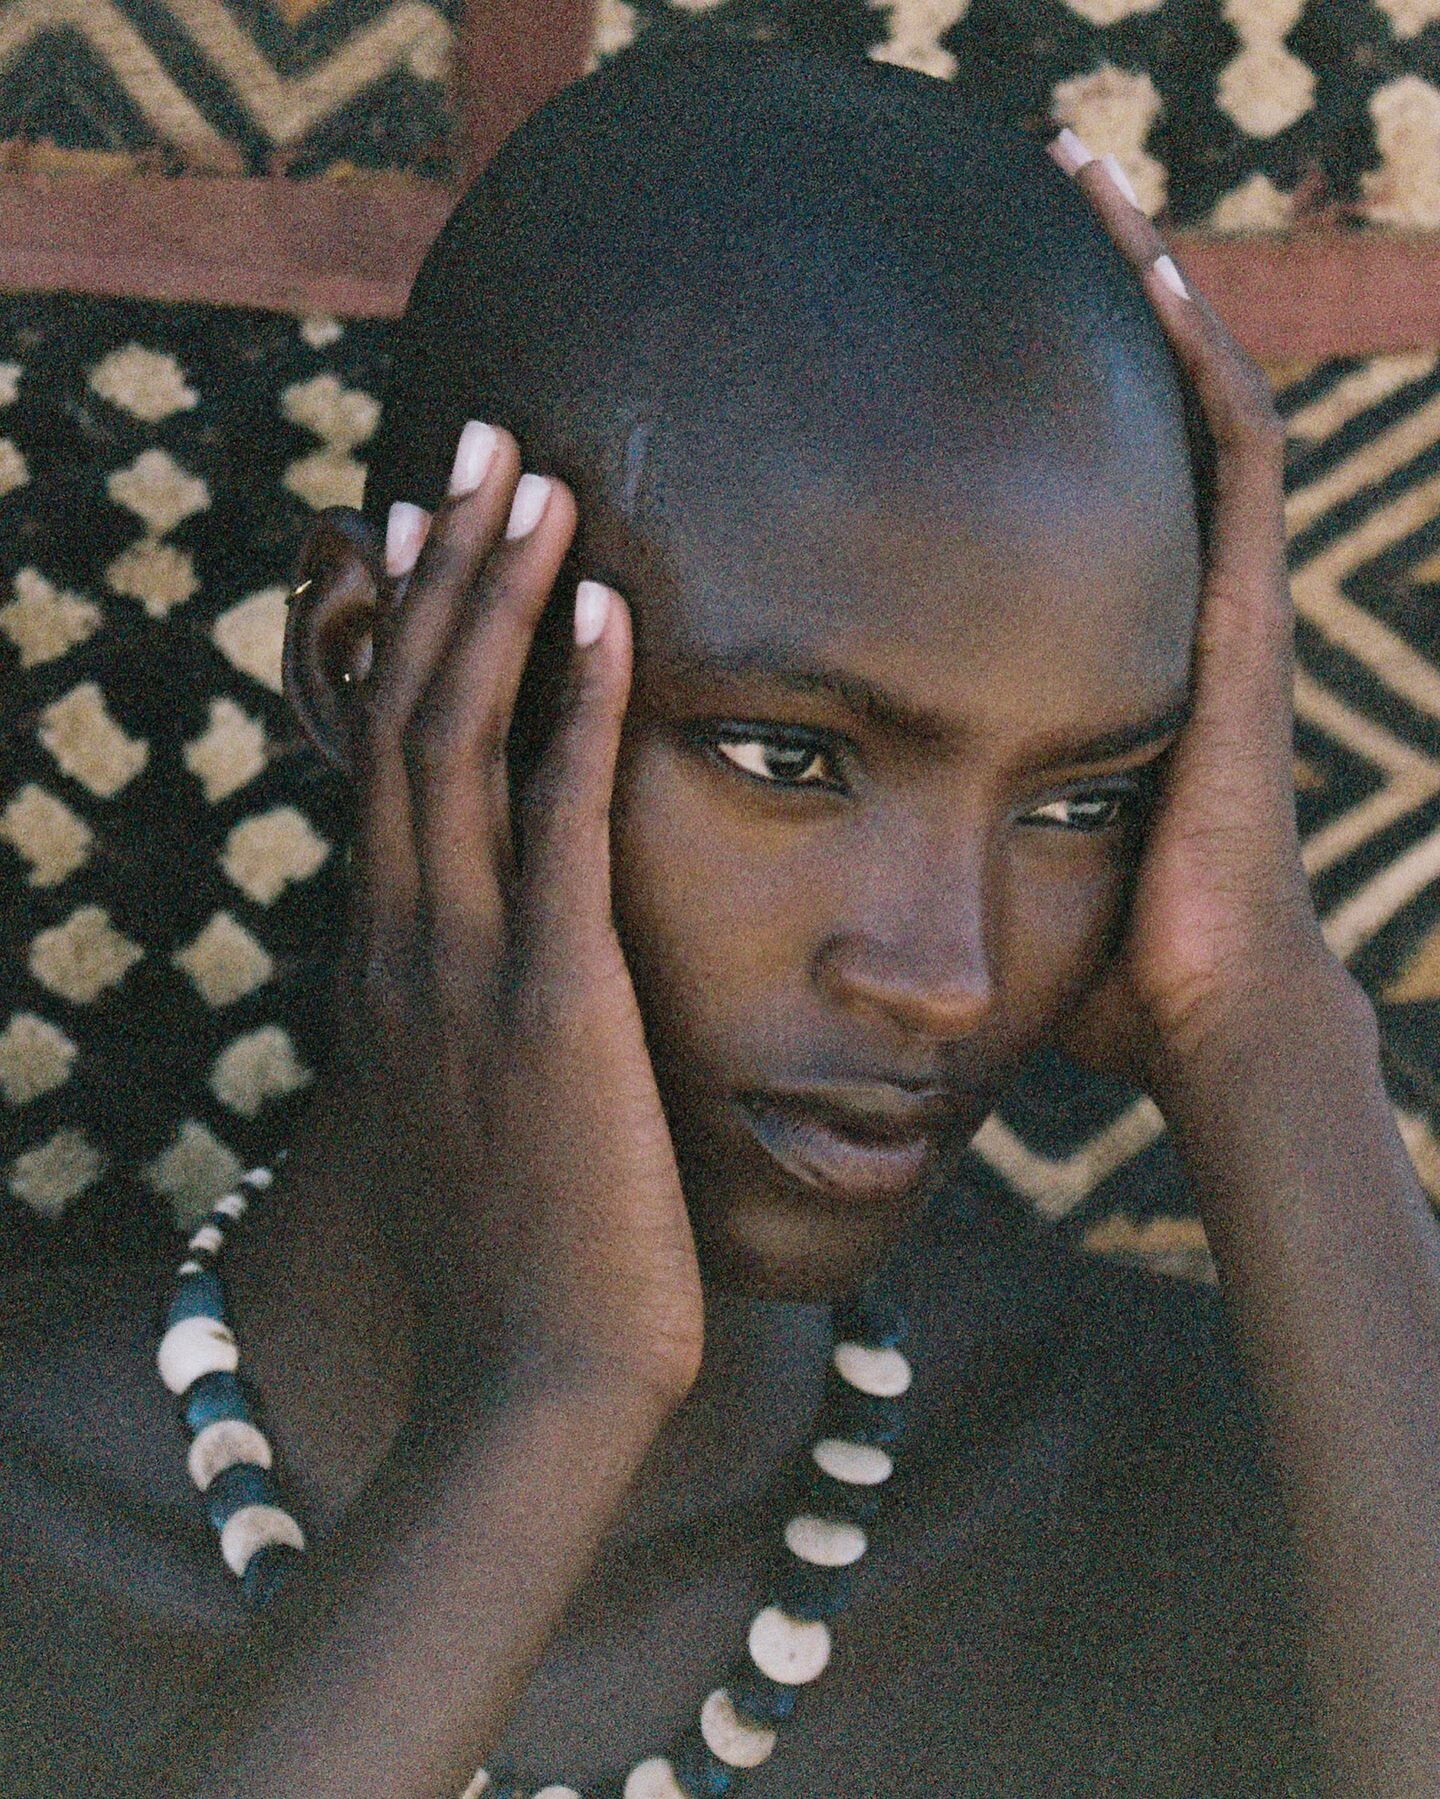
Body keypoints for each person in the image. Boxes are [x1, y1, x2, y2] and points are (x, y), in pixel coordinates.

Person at [3, 40, 1439, 1798]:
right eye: (787, 757)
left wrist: (1267, 1023)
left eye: (1082, 803)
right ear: (369, 666)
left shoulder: (1244, 1505)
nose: (947, 975)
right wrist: (553, 1396)